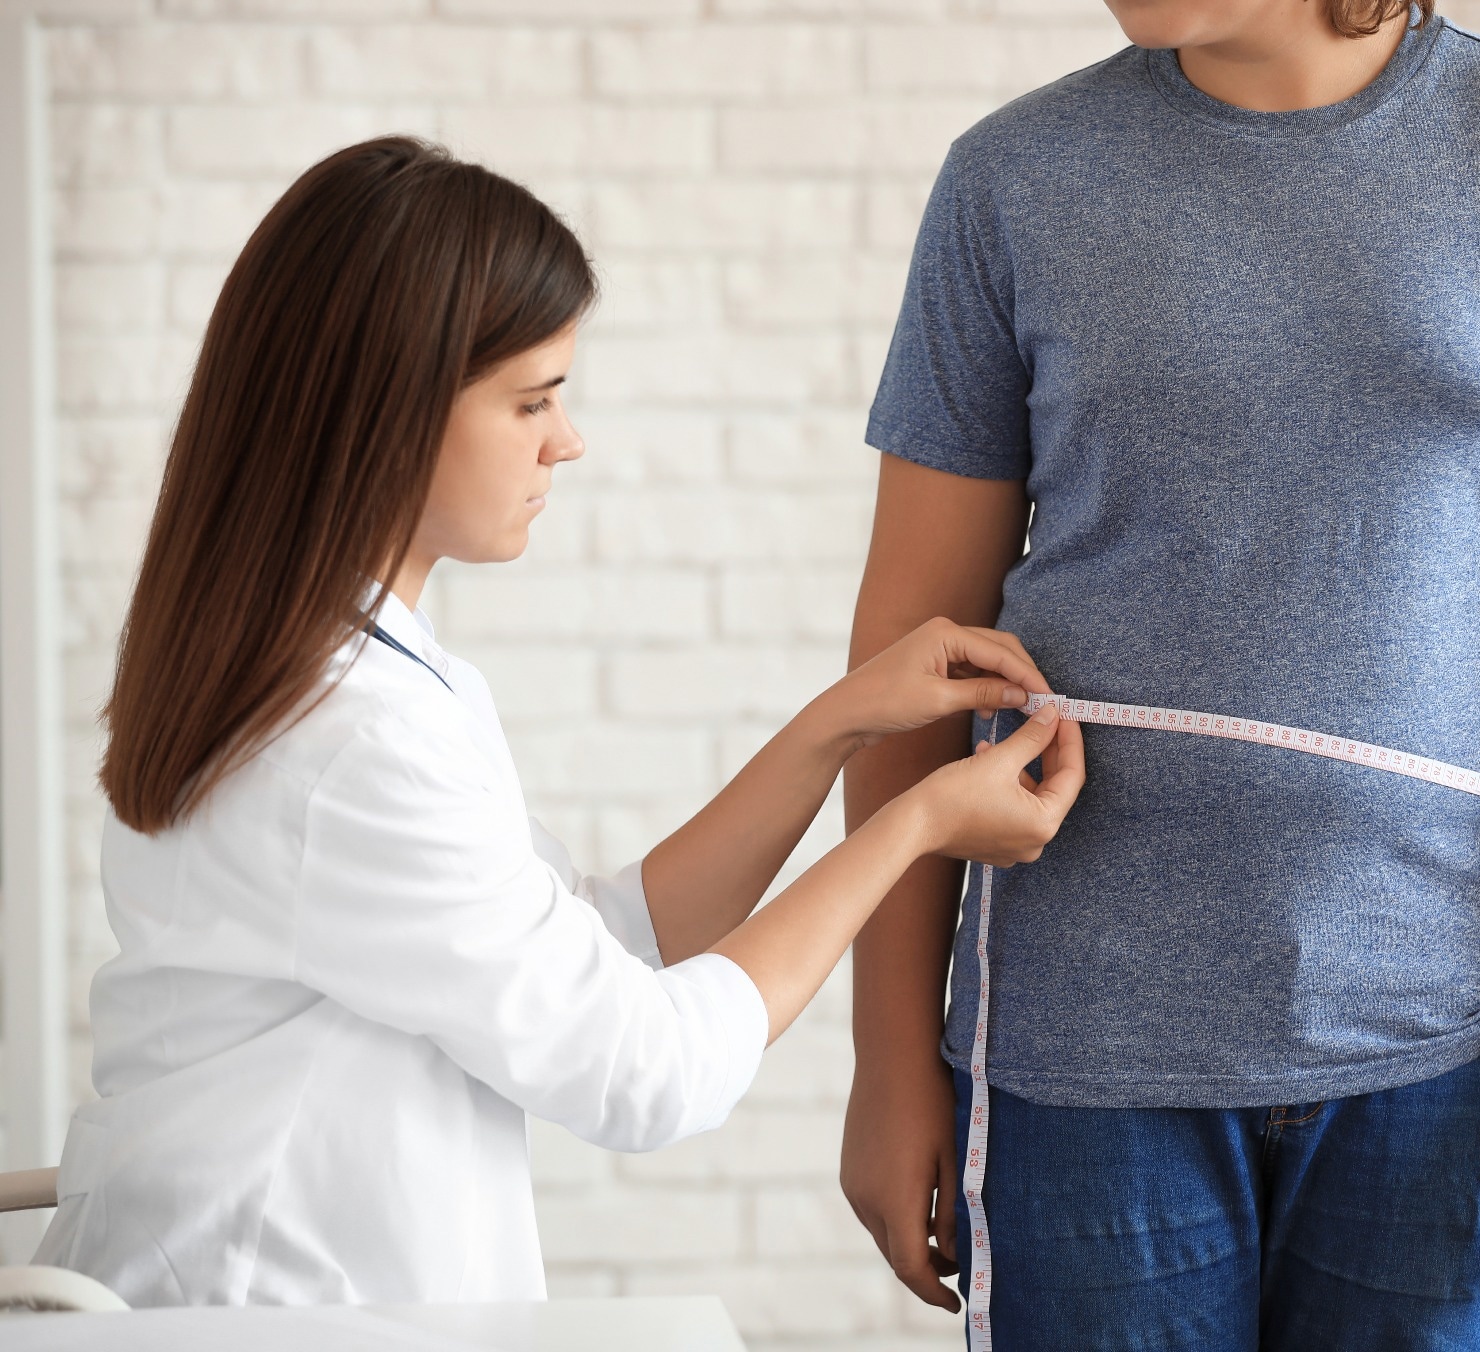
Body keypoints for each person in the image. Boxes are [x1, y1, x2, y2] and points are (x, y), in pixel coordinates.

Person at [34, 136, 1085, 1309]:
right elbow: (646, 1068)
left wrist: (834, 727)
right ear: (383, 408)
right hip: (270, 1314)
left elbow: (600, 939)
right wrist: (912, 823)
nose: (564, 441)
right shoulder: (347, 739)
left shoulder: (323, 664)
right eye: (531, 399)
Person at [840, 0, 1480, 1346]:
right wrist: (889, 1053)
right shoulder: (1011, 183)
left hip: (1446, 1042)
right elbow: (913, 650)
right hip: (1082, 1058)